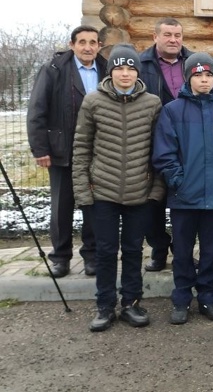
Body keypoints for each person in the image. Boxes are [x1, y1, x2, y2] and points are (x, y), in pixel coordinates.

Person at [72, 44, 162, 332]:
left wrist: (156, 190)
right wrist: (83, 191)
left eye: (131, 68)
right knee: (106, 251)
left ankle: (132, 303)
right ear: (111, 71)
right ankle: (104, 305)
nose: (125, 73)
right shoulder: (93, 101)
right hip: (103, 192)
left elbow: (159, 152)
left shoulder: (152, 103)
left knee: (134, 250)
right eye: (120, 68)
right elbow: (82, 148)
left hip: (139, 191)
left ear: (138, 71)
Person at [152, 53, 213, 325]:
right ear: (189, 77)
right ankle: (181, 299)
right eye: (198, 75)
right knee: (182, 251)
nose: (204, 80)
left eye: (209, 75)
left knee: (212, 251)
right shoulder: (173, 110)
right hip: (185, 196)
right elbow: (165, 153)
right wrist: (177, 180)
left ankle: (207, 297)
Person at [27, 25, 105, 278]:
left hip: (98, 153)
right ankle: (60, 257)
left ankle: (91, 256)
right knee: (62, 207)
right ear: (72, 45)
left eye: (93, 42)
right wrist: (40, 148)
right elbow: (37, 110)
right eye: (82, 42)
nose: (88, 47)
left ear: (99, 46)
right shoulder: (54, 71)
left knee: (93, 206)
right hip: (63, 151)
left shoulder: (106, 69)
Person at [139, 17, 192, 272]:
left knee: (185, 202)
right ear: (155, 37)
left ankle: (183, 251)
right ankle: (159, 250)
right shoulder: (141, 64)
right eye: (168, 35)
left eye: (178, 35)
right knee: (154, 203)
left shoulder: (192, 63)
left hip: (187, 143)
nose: (173, 40)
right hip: (150, 142)